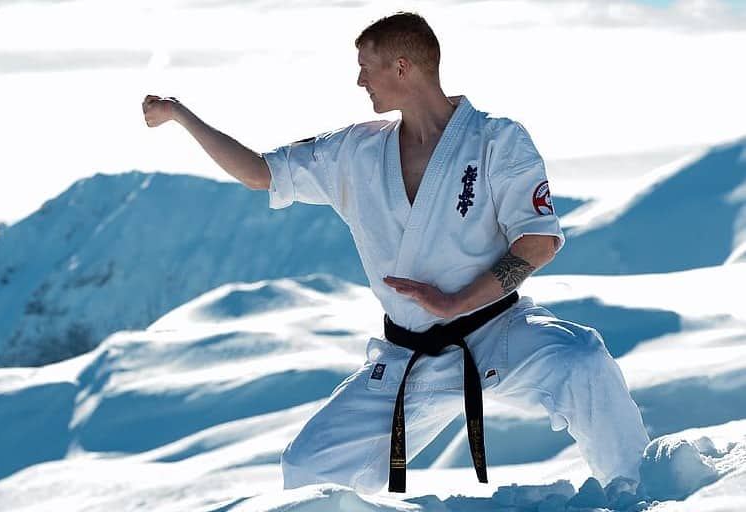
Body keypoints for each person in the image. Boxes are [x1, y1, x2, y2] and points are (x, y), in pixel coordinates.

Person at [142, 11, 649, 496]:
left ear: (401, 67)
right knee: (308, 466)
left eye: (365, 66)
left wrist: (459, 301)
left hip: (499, 330)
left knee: (584, 361)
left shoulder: (497, 140)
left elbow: (537, 242)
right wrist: (181, 116)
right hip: (410, 354)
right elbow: (259, 172)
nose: (360, 81)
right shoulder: (354, 152)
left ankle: (643, 493)